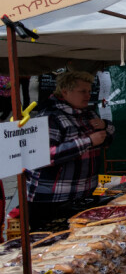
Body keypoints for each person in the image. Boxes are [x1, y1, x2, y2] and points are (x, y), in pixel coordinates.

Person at [26, 71, 114, 231]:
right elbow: (43, 156)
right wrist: (88, 141)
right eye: (83, 91)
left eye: (89, 91)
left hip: (84, 196)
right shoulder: (49, 117)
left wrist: (105, 126)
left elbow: (106, 140)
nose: (88, 95)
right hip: (53, 200)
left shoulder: (88, 113)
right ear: (65, 91)